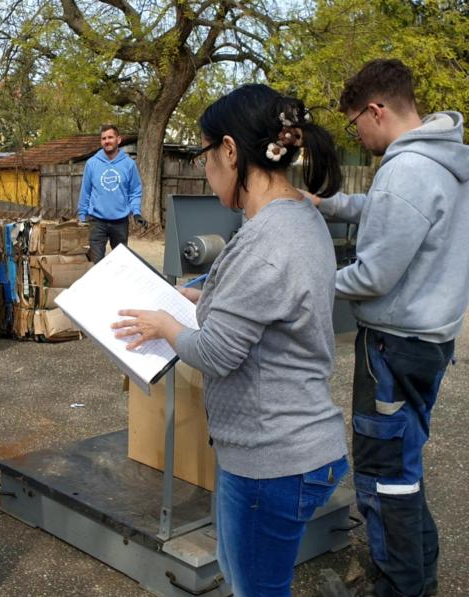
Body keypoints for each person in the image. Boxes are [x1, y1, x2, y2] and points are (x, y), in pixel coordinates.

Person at [111, 84, 349, 596]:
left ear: (229, 150)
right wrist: (204, 295)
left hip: (272, 460)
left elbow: (216, 353)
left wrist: (165, 325)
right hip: (295, 446)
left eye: (203, 156)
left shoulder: (265, 241)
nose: (204, 170)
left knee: (255, 589)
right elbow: (269, 302)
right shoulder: (298, 217)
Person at [308, 59, 469, 597]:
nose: (356, 133)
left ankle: (398, 587)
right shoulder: (443, 158)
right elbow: (386, 210)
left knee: (384, 474)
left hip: (393, 348)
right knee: (404, 460)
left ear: (376, 110)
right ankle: (419, 576)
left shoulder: (406, 170)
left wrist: (308, 279)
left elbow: (373, 276)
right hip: (429, 340)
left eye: (355, 122)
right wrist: (325, 205)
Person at [77, 124, 146, 263]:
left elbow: (135, 191)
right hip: (97, 221)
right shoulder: (92, 163)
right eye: (103, 138)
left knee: (120, 263)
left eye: (110, 137)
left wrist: (136, 212)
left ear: (118, 140)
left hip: (120, 222)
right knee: (96, 263)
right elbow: (85, 191)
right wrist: (81, 215)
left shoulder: (129, 164)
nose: (107, 141)